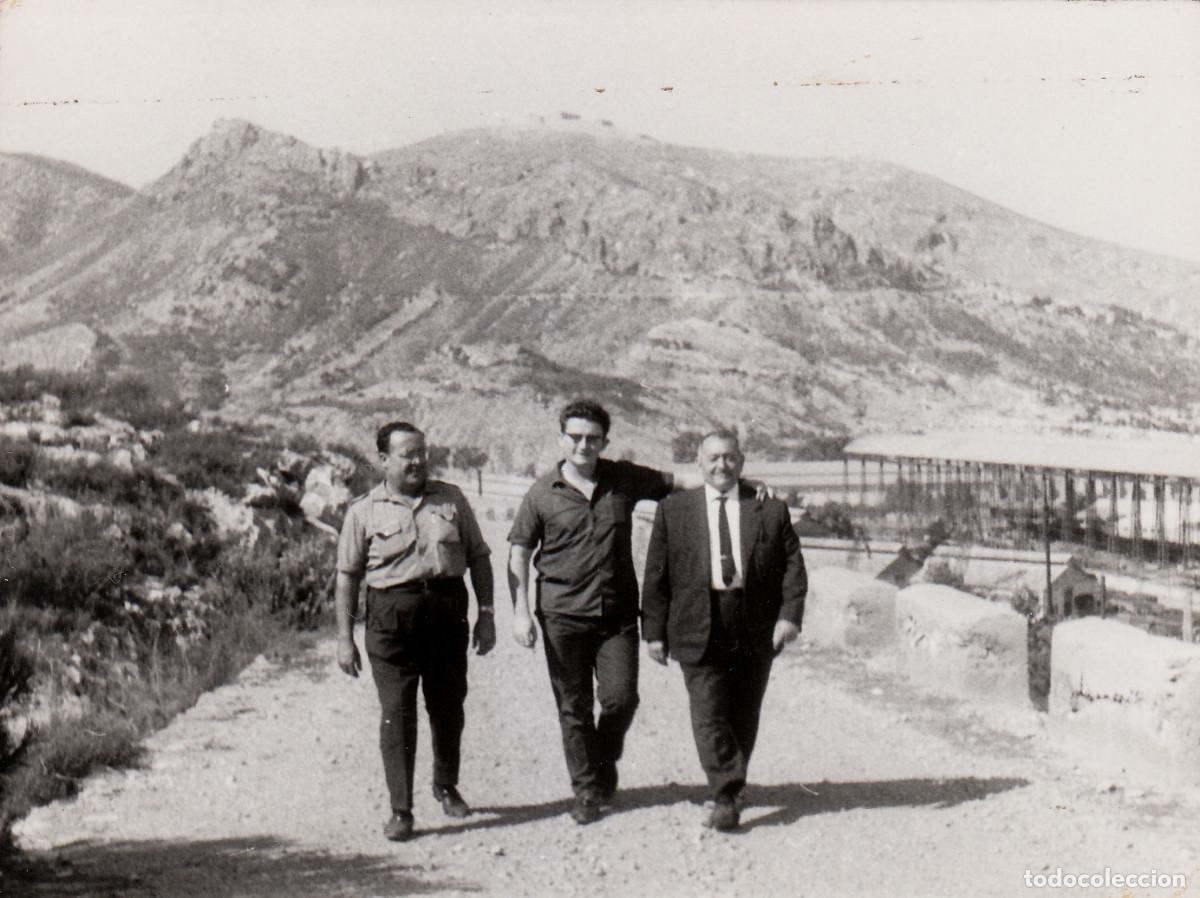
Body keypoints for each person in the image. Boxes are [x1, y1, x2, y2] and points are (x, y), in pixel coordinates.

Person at [506, 398, 677, 825]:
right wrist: (520, 612)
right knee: (574, 706)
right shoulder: (541, 493)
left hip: (617, 615)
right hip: (562, 616)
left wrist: (742, 485)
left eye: (592, 438)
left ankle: (602, 760)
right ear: (561, 439)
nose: (583, 445)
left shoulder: (623, 479)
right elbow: (519, 553)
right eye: (575, 437)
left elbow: (681, 482)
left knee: (621, 698)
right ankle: (586, 789)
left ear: (605, 442)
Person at [335, 421, 495, 842]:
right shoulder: (363, 510)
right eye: (408, 454)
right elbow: (347, 575)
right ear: (383, 460)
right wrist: (344, 638)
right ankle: (401, 809)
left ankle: (446, 784)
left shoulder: (451, 499)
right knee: (397, 713)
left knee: (448, 706)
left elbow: (479, 556)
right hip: (391, 621)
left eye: (423, 453)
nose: (418, 461)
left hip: (446, 614)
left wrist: (488, 613)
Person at [642, 429, 806, 831]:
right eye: (713, 458)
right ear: (699, 462)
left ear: (742, 462)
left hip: (754, 623)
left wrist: (788, 617)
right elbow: (656, 575)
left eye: (730, 457)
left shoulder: (769, 509)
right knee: (708, 712)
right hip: (696, 620)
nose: (722, 465)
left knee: (744, 711)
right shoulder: (674, 510)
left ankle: (731, 785)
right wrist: (653, 632)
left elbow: (793, 568)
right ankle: (726, 793)